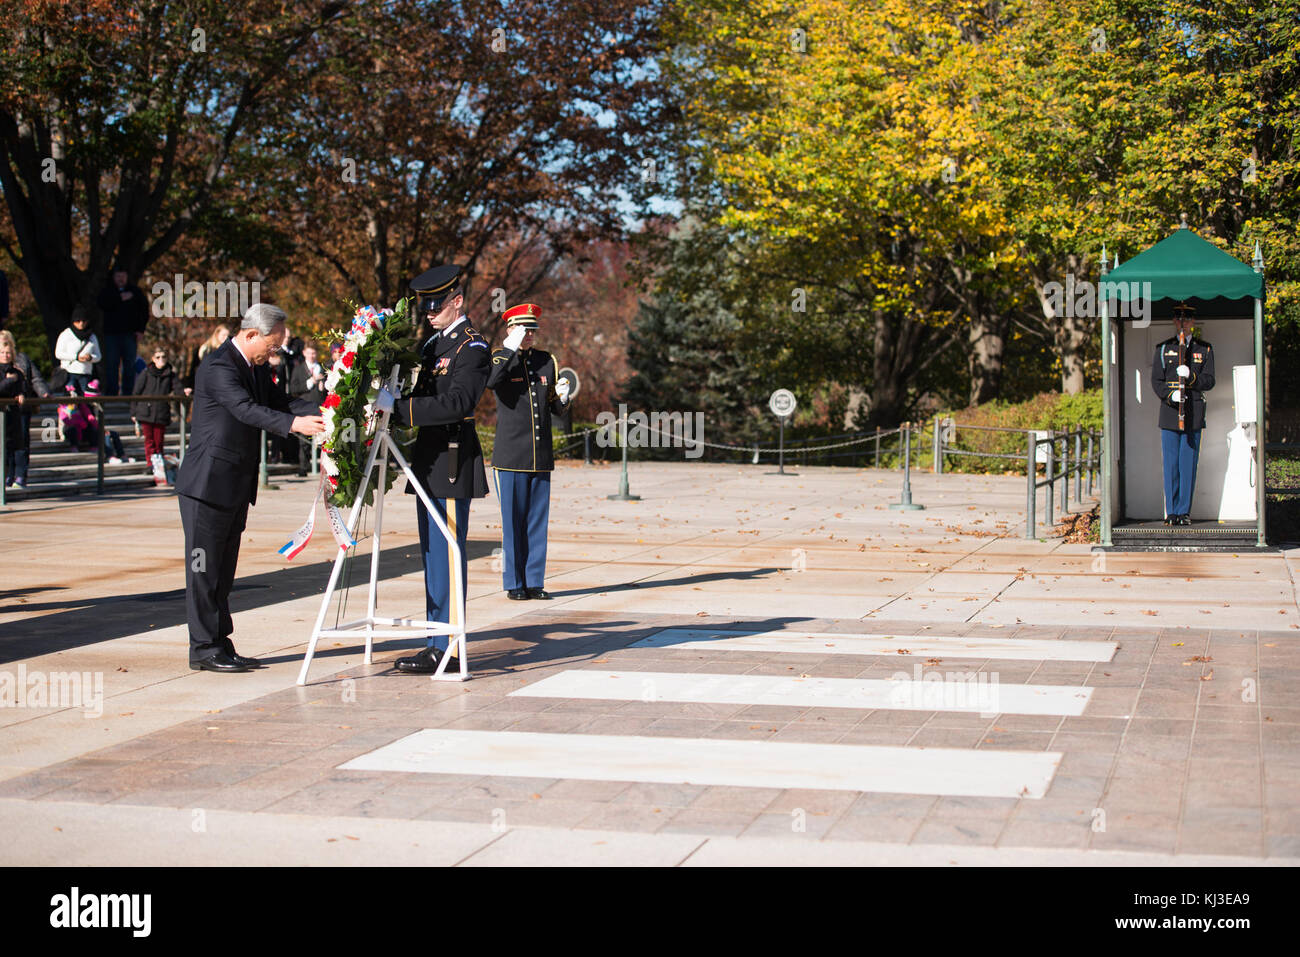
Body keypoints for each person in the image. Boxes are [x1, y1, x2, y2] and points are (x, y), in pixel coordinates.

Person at [174, 304, 325, 673]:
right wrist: (293, 426)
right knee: (204, 570)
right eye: (273, 345)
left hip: (234, 485)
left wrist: (332, 406)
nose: (275, 352)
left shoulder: (254, 367)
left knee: (223, 573)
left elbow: (280, 401)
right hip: (207, 486)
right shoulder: (219, 366)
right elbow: (246, 410)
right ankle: (203, 647)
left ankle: (220, 642)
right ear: (252, 334)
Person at [376, 264, 490, 674]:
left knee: (450, 553)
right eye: (426, 305)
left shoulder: (472, 348)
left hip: (453, 460)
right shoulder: (431, 347)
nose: (429, 311)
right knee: (432, 554)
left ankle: (451, 648)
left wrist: (402, 409)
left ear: (457, 302)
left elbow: (459, 403)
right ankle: (435, 641)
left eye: (437, 305)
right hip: (428, 461)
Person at [486, 303, 572, 600]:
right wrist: (509, 349)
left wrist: (563, 398)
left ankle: (534, 580)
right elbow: (491, 382)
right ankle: (514, 583)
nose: (529, 336)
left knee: (537, 522)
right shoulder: (499, 358)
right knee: (512, 523)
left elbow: (552, 407)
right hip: (511, 456)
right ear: (510, 330)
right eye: (522, 330)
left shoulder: (546, 361)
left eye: (531, 330)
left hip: (539, 455)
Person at [1150, 308, 1215, 526]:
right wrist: (1171, 395)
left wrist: (1192, 378)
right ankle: (1171, 512)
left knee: (1188, 464)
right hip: (1170, 414)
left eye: (1187, 318)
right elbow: (1156, 381)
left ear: (1193, 321)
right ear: (1173, 320)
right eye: (1179, 318)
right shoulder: (1163, 349)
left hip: (1193, 413)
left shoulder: (1204, 349)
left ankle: (1184, 511)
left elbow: (1209, 380)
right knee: (1171, 465)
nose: (1182, 322)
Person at [0, 330, 50, 489]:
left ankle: (19, 475)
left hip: (19, 410)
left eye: (8, 350)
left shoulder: (21, 360)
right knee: (6, 445)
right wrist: (10, 382)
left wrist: (41, 392)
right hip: (4, 411)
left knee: (20, 442)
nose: (5, 354)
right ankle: (8, 475)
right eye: (2, 350)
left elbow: (32, 379)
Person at [96, 266, 149, 395]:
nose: (121, 279)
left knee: (129, 365)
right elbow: (101, 303)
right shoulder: (107, 291)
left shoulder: (135, 292)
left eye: (123, 276)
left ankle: (128, 393)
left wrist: (141, 330)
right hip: (111, 334)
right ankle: (112, 393)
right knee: (112, 364)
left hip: (130, 334)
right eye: (118, 276)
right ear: (113, 277)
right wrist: (119, 298)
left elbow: (144, 311)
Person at [132, 346, 181, 486]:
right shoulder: (146, 373)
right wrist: (133, 412)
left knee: (159, 441)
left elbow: (178, 389)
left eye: (163, 357)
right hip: (145, 411)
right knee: (149, 440)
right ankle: (150, 463)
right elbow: (136, 392)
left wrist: (185, 391)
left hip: (161, 412)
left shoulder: (170, 374)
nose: (161, 360)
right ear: (153, 359)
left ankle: (159, 465)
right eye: (158, 357)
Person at [289, 341, 327, 475]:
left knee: (323, 437)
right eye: (309, 353)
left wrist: (322, 387)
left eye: (314, 353)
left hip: (319, 405)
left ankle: (325, 467)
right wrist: (310, 382)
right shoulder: (298, 369)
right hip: (304, 406)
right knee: (304, 440)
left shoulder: (322, 368)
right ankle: (303, 467)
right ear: (304, 353)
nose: (312, 356)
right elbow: (293, 389)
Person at [55, 306, 101, 395]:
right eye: (78, 321)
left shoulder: (92, 336)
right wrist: (76, 357)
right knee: (70, 403)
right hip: (69, 373)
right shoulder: (66, 334)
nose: (81, 324)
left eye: (84, 321)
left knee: (86, 403)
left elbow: (98, 356)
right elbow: (58, 353)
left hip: (85, 373)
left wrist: (90, 358)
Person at [184, 324, 231, 393]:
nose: (226, 337)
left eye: (227, 335)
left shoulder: (228, 350)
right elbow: (197, 368)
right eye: (223, 335)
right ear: (217, 335)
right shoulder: (207, 350)